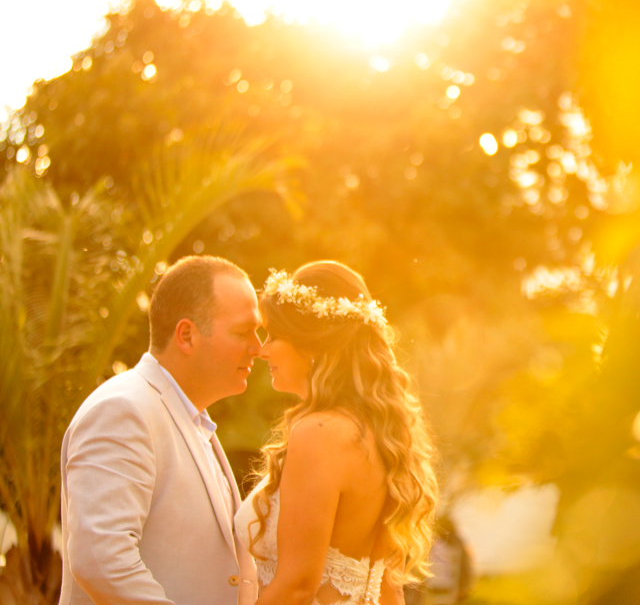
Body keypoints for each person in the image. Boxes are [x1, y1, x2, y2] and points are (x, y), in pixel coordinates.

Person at [59, 255, 262, 605]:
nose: (257, 348)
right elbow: (100, 559)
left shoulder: (193, 418)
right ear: (186, 336)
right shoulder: (123, 410)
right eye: (243, 332)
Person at [234, 261, 438, 605]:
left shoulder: (319, 434)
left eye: (274, 335)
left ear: (312, 345)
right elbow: (390, 591)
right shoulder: (382, 434)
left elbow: (297, 585)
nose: (263, 349)